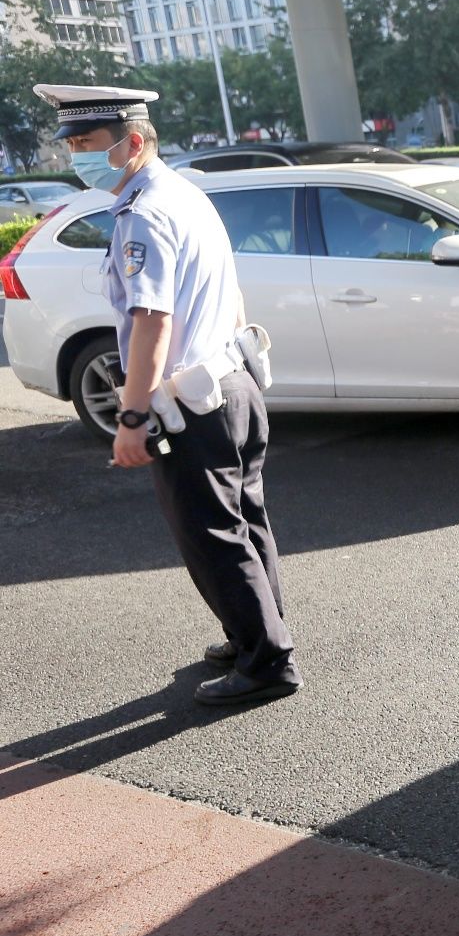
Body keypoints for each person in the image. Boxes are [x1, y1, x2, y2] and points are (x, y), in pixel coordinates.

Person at [34, 83, 299, 709]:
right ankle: (258, 634)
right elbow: (226, 287)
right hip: (230, 382)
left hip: (191, 402)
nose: (78, 154)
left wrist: (131, 415)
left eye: (88, 142)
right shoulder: (185, 194)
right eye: (72, 143)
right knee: (244, 521)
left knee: (211, 534)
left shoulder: (142, 213)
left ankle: (266, 664)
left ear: (130, 141)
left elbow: (151, 322)